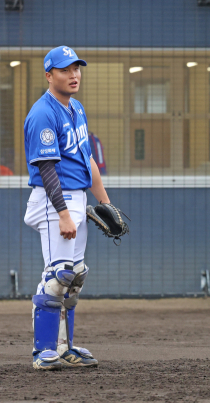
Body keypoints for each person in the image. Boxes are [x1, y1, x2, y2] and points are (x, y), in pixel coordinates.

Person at [24, 46, 113, 370]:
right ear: (49, 75)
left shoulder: (76, 107)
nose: (73, 75)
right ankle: (43, 351)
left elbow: (86, 157)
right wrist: (63, 213)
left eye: (76, 68)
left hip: (77, 198)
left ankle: (65, 347)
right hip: (54, 198)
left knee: (74, 277)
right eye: (65, 70)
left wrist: (103, 200)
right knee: (58, 274)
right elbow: (47, 168)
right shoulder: (43, 113)